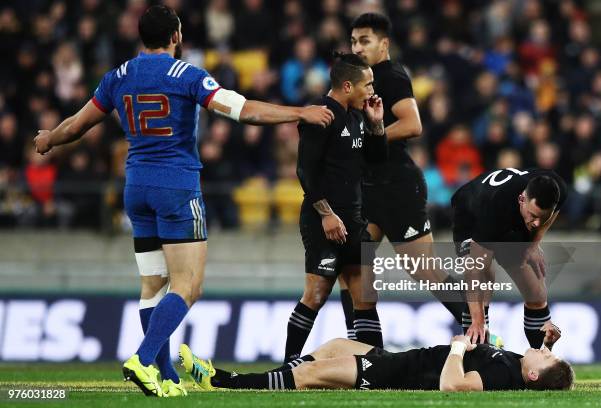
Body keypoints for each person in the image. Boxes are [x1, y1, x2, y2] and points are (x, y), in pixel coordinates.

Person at [33, 5, 333, 397]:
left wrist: (49, 138)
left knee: (152, 286)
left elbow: (78, 124)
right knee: (188, 286)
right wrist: (300, 112)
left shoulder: (117, 76)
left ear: (142, 37)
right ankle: (143, 358)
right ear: (176, 36)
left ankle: (165, 378)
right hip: (175, 186)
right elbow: (242, 110)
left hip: (135, 186)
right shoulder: (186, 75)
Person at [340, 12, 465, 342]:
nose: (357, 46)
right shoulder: (356, 78)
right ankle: (366, 351)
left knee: (424, 271)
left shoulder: (390, 76)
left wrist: (367, 139)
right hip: (367, 188)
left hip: (397, 187)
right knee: (352, 268)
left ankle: (478, 325)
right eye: (353, 41)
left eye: (364, 40)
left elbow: (413, 125)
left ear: (384, 44)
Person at [283, 53, 387, 363]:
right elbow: (305, 171)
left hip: (354, 219)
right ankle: (289, 363)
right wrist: (327, 214)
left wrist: (377, 126)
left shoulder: (357, 115)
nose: (371, 90)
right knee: (316, 295)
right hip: (322, 219)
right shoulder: (320, 115)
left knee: (366, 296)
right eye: (367, 84)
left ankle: (375, 364)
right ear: (347, 85)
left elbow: (376, 162)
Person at [178, 325, 571, 392]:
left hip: (396, 374)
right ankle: (268, 378)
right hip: (402, 359)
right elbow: (500, 351)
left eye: (545, 356)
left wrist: (456, 350)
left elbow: (454, 385)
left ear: (533, 376)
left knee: (312, 374)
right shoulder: (517, 362)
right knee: (334, 344)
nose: (542, 351)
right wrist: (542, 338)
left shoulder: (506, 375)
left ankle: (222, 380)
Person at [451, 167, 567, 347]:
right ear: (522, 199)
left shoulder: (556, 189)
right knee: (485, 275)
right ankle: (478, 349)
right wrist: (478, 319)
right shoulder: (495, 210)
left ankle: (540, 359)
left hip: (511, 215)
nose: (537, 223)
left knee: (536, 292)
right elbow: (475, 269)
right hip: (470, 210)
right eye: (534, 216)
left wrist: (533, 245)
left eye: (542, 217)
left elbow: (551, 213)